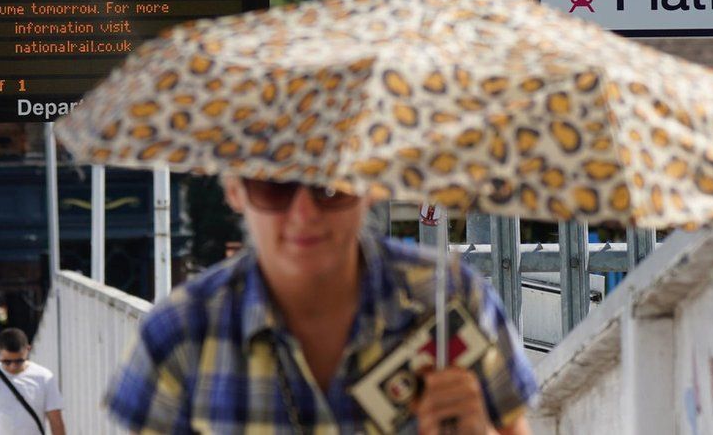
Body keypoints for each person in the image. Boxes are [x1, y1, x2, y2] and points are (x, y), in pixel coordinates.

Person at [106, 177, 537, 434]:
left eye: (330, 187)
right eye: (275, 186)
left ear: (369, 184)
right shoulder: (180, 333)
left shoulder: (450, 298)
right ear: (234, 189)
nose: (304, 213)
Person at [0, 328, 66, 435]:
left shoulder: (44, 378)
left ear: (28, 349)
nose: (13, 366)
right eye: (7, 361)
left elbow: (56, 422)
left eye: (19, 361)